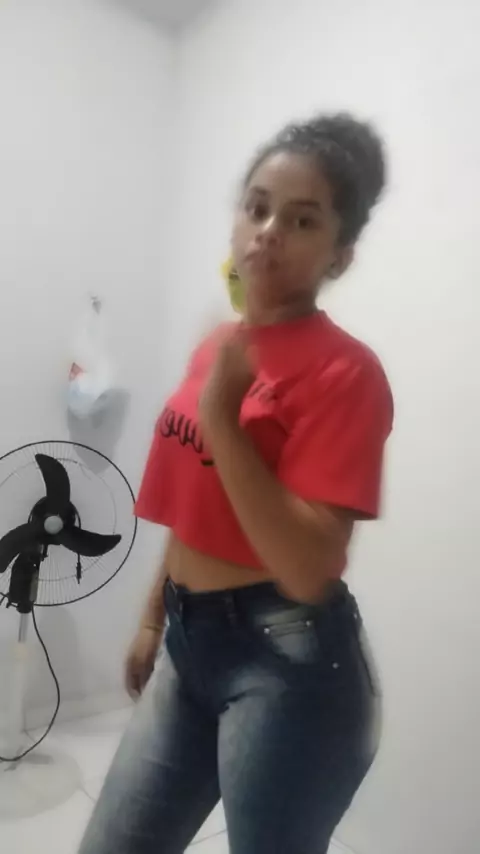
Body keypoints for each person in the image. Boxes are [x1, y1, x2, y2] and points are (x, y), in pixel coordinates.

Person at [78, 112, 393, 854]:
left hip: (288, 661)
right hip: (190, 639)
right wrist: (154, 618)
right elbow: (199, 501)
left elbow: (309, 569)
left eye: (302, 219)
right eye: (257, 207)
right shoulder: (220, 347)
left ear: (340, 256)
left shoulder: (346, 372)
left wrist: (223, 416)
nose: (268, 231)